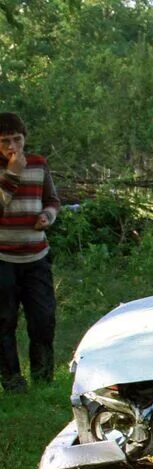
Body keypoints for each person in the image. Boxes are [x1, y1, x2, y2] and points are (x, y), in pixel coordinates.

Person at [0, 112, 60, 394]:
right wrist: (12, 172)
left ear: (25, 138)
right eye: (5, 142)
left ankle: (44, 381)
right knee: (4, 323)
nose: (13, 147)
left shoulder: (39, 164)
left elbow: (52, 200)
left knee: (43, 320)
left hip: (36, 256)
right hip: (3, 259)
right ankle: (13, 383)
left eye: (17, 140)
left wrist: (48, 216)